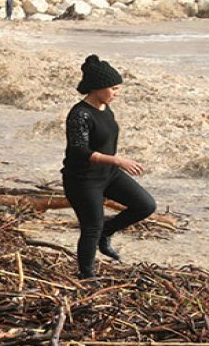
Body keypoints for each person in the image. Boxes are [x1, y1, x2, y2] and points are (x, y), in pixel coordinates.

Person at [62, 54, 156, 280]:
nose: (117, 93)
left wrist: (115, 164)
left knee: (145, 205)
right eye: (113, 88)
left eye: (118, 88)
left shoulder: (106, 108)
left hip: (108, 175)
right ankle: (86, 276)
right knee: (91, 227)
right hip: (82, 180)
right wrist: (117, 160)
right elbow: (79, 151)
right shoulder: (79, 115)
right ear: (96, 88)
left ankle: (107, 233)